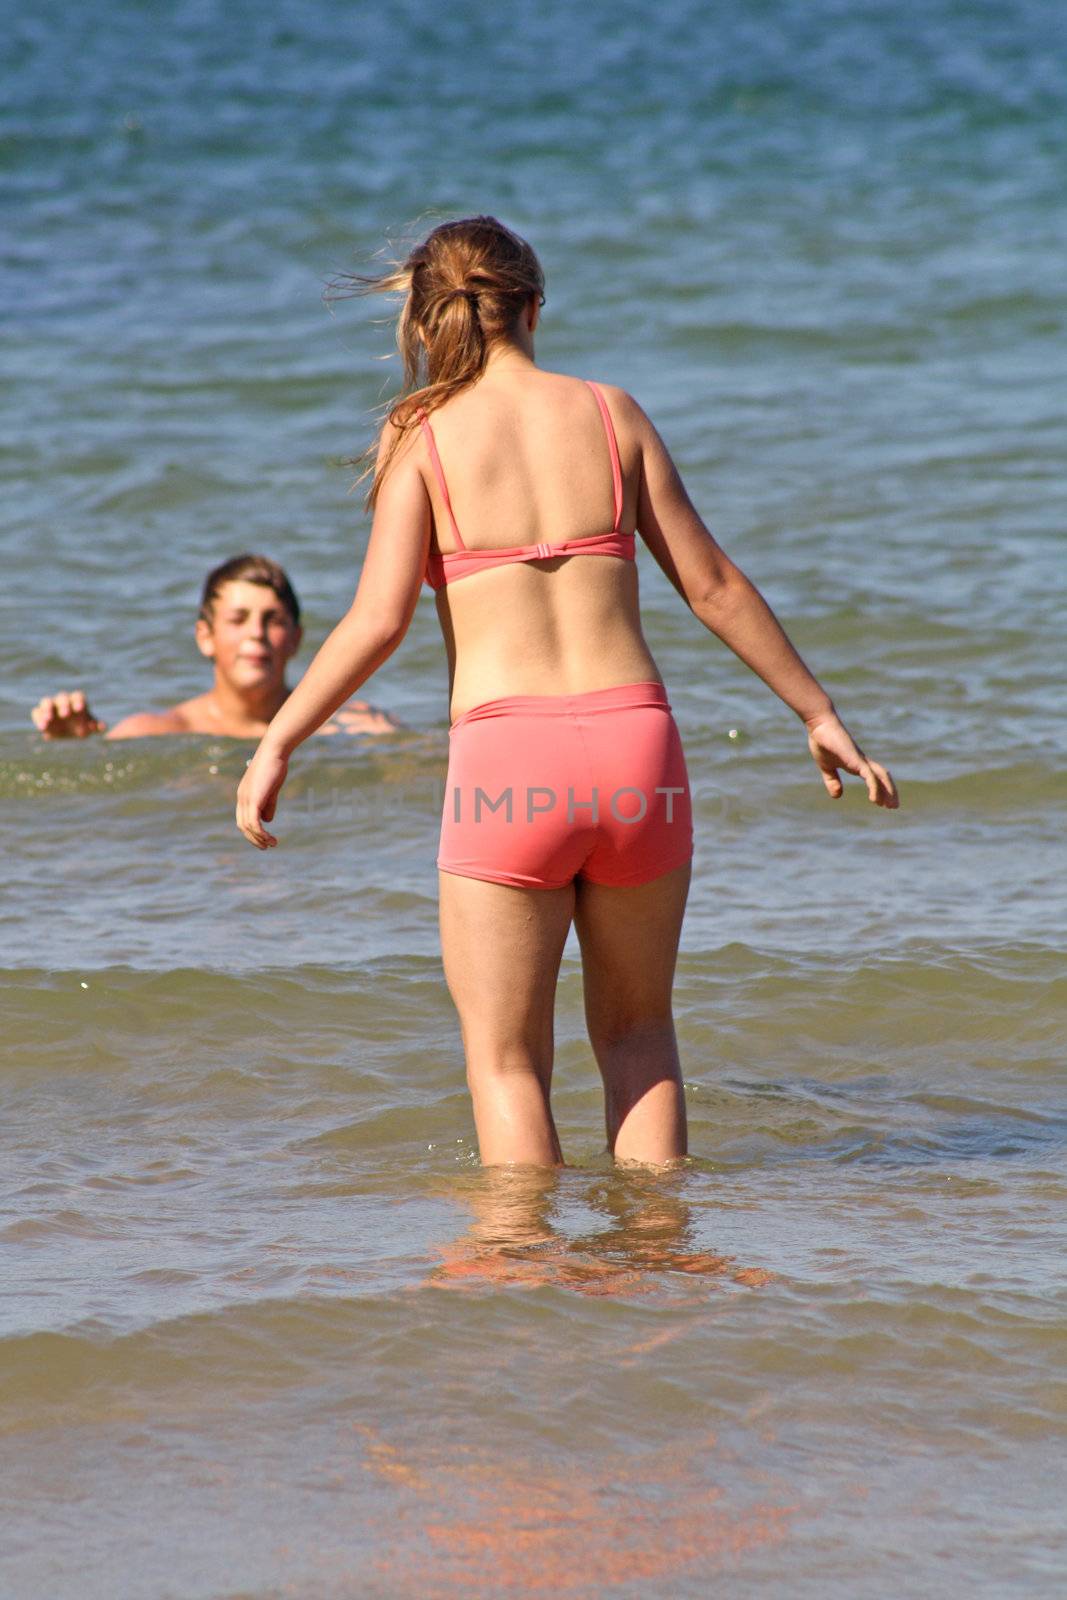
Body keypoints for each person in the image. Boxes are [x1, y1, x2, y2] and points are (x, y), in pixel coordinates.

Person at [235, 215, 898, 1171]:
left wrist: (277, 744)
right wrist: (818, 712)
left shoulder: (418, 435)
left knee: (506, 1063)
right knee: (638, 1038)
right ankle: (658, 1262)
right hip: (636, 753)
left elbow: (376, 622)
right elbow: (710, 584)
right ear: (535, 307)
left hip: (510, 761)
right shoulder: (610, 412)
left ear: (425, 324)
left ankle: (530, 1300)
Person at [30, 552, 399, 740]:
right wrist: (76, 749)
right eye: (238, 620)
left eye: (273, 620)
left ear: (296, 639)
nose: (256, 632)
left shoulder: (348, 726)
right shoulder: (158, 731)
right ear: (205, 637)